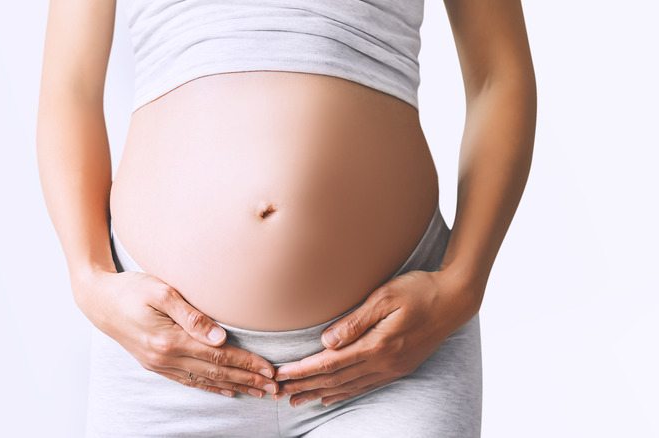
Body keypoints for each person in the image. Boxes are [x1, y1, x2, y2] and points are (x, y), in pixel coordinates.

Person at [37, 0, 535, 436]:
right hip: (163, 359)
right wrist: (89, 280)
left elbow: (499, 74)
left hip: (396, 358)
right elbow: (70, 85)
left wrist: (464, 282)